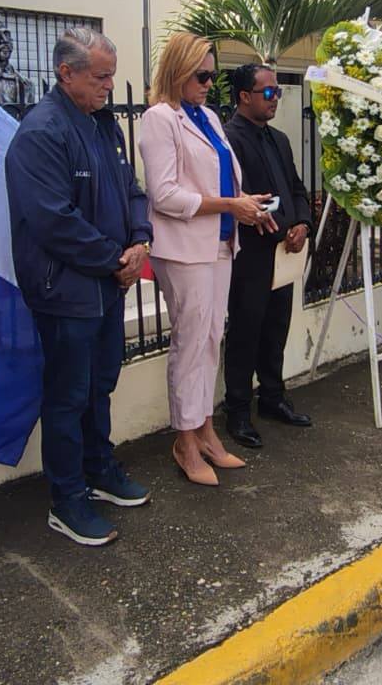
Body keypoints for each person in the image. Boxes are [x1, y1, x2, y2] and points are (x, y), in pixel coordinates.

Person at [5, 28, 153, 547]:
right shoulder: (41, 132)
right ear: (66, 74)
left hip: (107, 285)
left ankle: (99, 470)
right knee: (68, 396)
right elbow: (52, 219)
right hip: (66, 290)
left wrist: (140, 240)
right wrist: (113, 259)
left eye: (112, 74)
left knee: (101, 385)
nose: (111, 85)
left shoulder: (104, 125)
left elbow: (132, 190)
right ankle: (67, 499)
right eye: (102, 76)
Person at [137, 33, 276, 486]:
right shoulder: (160, 118)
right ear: (177, 71)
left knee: (212, 337)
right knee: (191, 343)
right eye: (201, 74)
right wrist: (228, 205)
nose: (208, 82)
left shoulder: (210, 118)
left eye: (212, 75)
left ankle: (207, 432)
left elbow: (219, 179)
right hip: (183, 249)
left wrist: (244, 203)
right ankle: (185, 440)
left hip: (220, 244)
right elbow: (164, 194)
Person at [222, 64, 314, 448]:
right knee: (246, 331)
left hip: (285, 250)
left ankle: (273, 397)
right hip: (252, 254)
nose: (276, 98)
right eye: (269, 92)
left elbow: (296, 187)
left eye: (278, 92)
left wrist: (303, 223)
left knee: (277, 328)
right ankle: (238, 411)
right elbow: (232, 197)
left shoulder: (279, 139)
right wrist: (277, 223)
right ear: (245, 96)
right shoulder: (229, 139)